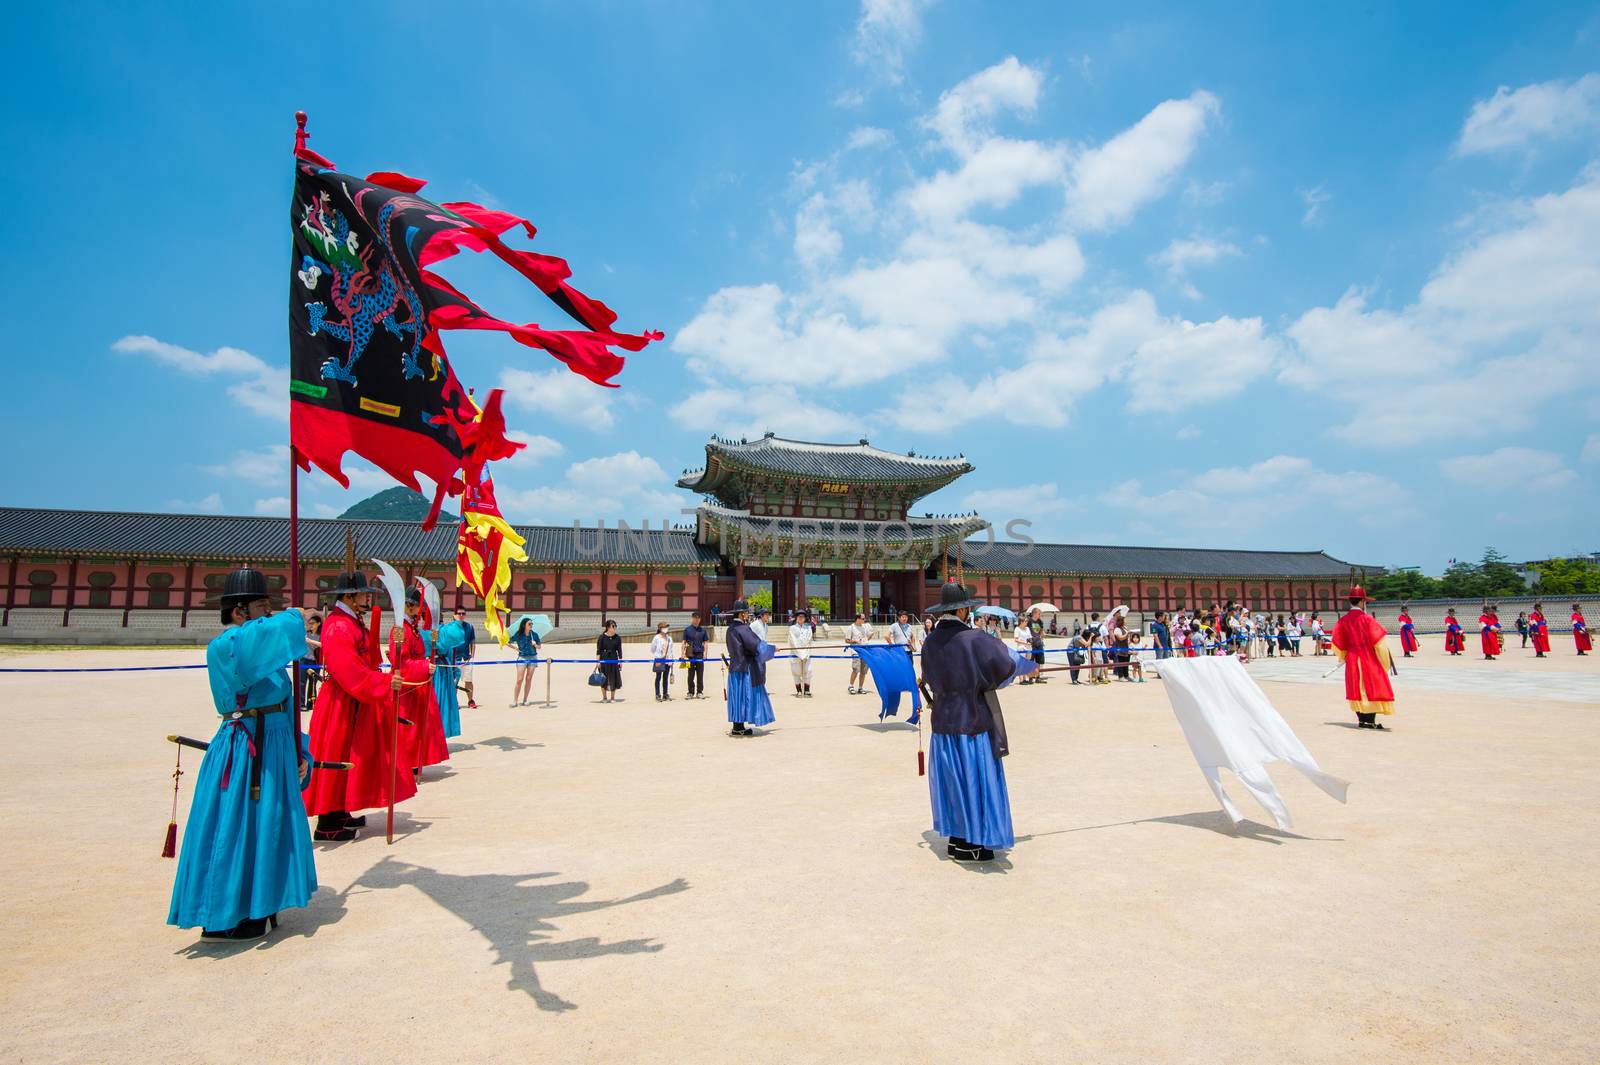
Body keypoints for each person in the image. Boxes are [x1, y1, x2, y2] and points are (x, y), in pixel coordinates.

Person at [168, 567, 315, 942]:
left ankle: (263, 901)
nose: (268, 615)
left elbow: (281, 704)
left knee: (270, 824)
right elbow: (260, 645)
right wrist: (293, 619)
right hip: (246, 750)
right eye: (262, 607)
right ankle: (226, 912)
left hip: (275, 745)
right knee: (239, 827)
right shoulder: (228, 646)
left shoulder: (260, 650)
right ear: (239, 612)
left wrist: (301, 750)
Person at [920, 582, 1035, 863]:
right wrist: (1030, 665)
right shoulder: (974, 638)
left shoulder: (930, 641)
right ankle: (976, 842)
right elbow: (1006, 662)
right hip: (971, 720)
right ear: (961, 609)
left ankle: (957, 840)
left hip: (943, 722)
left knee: (954, 784)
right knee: (976, 781)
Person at [304, 571, 415, 843]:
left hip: (355, 698)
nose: (368, 597)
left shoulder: (352, 621)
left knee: (353, 754)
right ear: (349, 597)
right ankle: (327, 820)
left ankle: (341, 809)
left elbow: (369, 658)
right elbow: (349, 669)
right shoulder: (338, 625)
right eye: (364, 593)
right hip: (342, 701)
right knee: (337, 752)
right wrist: (383, 683)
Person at [391, 588, 445, 780]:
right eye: (417, 608)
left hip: (418, 684)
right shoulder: (399, 629)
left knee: (418, 727)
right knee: (408, 728)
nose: (420, 612)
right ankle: (406, 763)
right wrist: (424, 665)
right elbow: (400, 661)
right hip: (408, 686)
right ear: (409, 606)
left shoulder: (411, 628)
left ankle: (414, 762)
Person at [1331, 585, 1396, 730]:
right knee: (1370, 687)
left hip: (1353, 659)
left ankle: (1362, 720)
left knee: (1356, 687)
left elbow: (1338, 643)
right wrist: (1384, 664)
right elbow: (1380, 644)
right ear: (1362, 601)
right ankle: (1370, 721)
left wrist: (1344, 656)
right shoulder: (1367, 620)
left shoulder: (1343, 621)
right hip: (1368, 658)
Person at [724, 599, 775, 736]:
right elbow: (756, 645)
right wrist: (772, 650)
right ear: (742, 615)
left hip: (735, 667)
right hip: (745, 668)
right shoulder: (743, 629)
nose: (748, 615)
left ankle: (737, 726)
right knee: (744, 696)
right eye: (747, 613)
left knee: (737, 697)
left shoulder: (731, 629)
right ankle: (739, 728)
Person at [509, 615, 541, 707]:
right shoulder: (519, 634)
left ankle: (525, 699)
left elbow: (539, 646)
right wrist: (515, 648)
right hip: (522, 658)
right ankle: (515, 700)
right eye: (529, 624)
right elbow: (507, 641)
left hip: (532, 658)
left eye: (532, 624)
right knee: (519, 680)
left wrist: (535, 645)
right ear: (524, 625)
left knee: (528, 679)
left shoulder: (534, 635)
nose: (531, 625)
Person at [453, 606, 479, 709]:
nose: (461, 615)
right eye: (459, 613)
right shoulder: (450, 627)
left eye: (463, 613)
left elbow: (472, 642)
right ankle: (454, 702)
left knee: (468, 681)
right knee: (455, 681)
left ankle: (470, 700)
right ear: (454, 615)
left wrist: (472, 656)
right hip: (454, 658)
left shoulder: (469, 627)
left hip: (466, 658)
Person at [787, 608, 815, 697]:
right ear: (796, 617)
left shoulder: (808, 628)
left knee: (808, 670)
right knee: (796, 672)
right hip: (795, 653)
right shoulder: (792, 628)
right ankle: (798, 690)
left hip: (806, 653)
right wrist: (799, 652)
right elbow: (793, 641)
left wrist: (805, 652)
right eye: (799, 616)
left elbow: (809, 640)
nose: (801, 618)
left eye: (803, 616)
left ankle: (807, 690)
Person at [681, 612, 709, 699]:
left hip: (699, 654)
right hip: (690, 655)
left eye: (698, 618)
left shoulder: (703, 630)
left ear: (700, 619)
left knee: (700, 674)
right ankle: (690, 692)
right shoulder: (687, 630)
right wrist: (682, 654)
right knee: (690, 674)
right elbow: (683, 642)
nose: (697, 620)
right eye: (695, 618)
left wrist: (705, 654)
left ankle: (699, 692)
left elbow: (705, 643)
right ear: (692, 618)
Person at [846, 612, 875, 695]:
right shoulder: (851, 627)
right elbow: (846, 640)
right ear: (857, 619)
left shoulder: (864, 627)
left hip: (865, 649)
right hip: (856, 650)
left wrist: (871, 635)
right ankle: (851, 686)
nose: (864, 620)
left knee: (864, 670)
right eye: (863, 618)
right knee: (856, 669)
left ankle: (860, 687)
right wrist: (854, 641)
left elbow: (865, 639)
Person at [596, 620, 623, 702]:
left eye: (615, 626)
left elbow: (619, 650)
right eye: (613, 626)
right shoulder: (602, 637)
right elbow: (598, 650)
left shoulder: (617, 637)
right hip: (604, 658)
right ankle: (604, 697)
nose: (614, 628)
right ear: (608, 627)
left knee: (613, 677)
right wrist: (597, 662)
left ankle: (612, 697)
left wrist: (620, 661)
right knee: (603, 678)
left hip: (614, 658)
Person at [650, 621, 674, 702]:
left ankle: (665, 694)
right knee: (658, 677)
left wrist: (671, 660)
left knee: (665, 678)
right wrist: (658, 655)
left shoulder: (669, 638)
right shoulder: (657, 637)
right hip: (659, 659)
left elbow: (671, 650)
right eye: (664, 627)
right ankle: (657, 694)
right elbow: (652, 649)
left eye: (667, 627)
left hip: (667, 660)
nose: (666, 629)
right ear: (660, 628)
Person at [1027, 608, 1048, 680]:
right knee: (1031, 660)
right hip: (1032, 643)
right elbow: (1026, 631)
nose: (1040, 615)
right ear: (1034, 613)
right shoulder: (1029, 621)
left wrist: (1043, 635)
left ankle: (1038, 677)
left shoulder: (1040, 621)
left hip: (1039, 642)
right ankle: (1031, 677)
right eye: (1039, 614)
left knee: (1039, 660)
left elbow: (1041, 631)